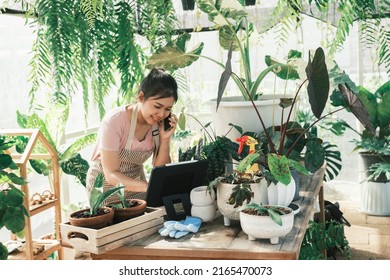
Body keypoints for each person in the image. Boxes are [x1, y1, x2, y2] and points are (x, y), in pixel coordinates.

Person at [86, 68, 178, 203]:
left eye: (167, 109)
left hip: (138, 187)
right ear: (141, 97)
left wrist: (165, 139)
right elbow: (111, 175)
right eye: (157, 106)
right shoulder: (114, 121)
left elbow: (160, 169)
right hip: (105, 189)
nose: (161, 114)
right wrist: (149, 187)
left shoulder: (158, 125)